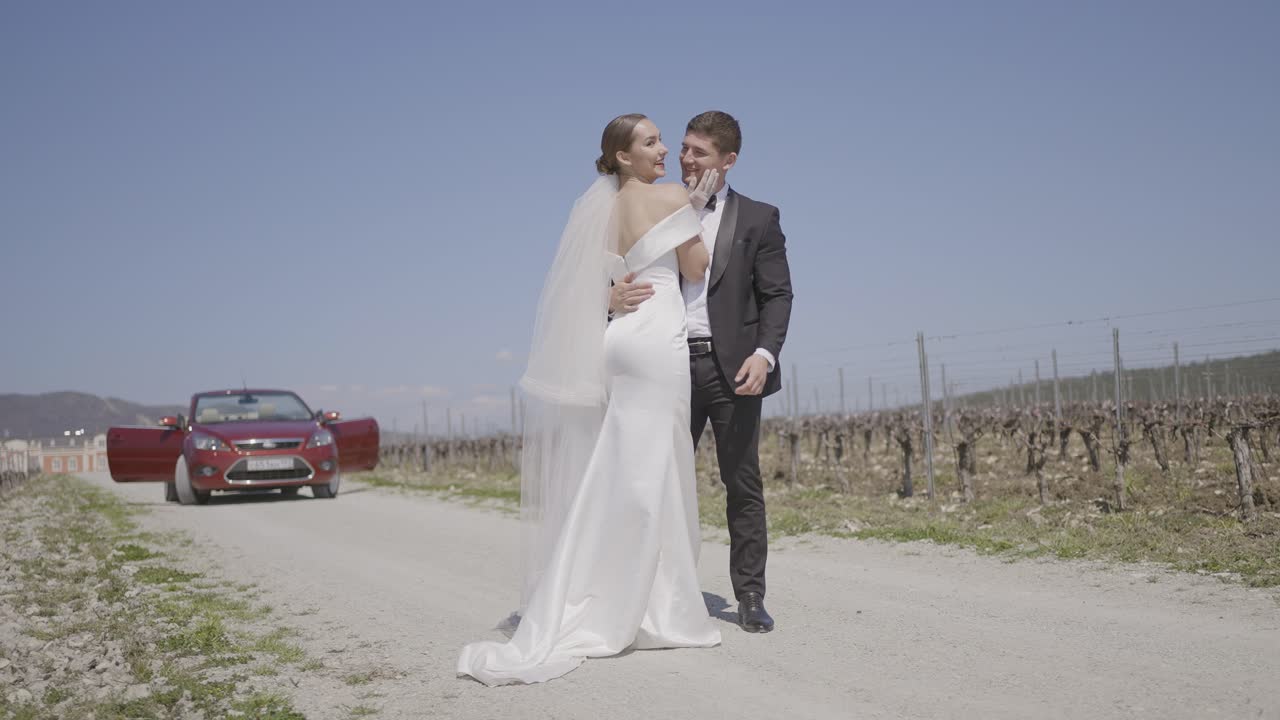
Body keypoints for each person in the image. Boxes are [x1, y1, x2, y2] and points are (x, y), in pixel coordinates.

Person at [457, 113, 722, 686]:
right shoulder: (672, 195)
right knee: (657, 470)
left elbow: (585, 291)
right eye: (651, 142)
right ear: (624, 156)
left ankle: (605, 591)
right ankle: (656, 609)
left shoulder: (599, 214)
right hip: (657, 344)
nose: (664, 150)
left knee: (624, 467)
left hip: (619, 341)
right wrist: (697, 210)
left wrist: (610, 293)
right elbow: (696, 270)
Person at [610, 110, 793, 633]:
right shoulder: (656, 200)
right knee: (656, 481)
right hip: (662, 363)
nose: (686, 159)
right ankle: (653, 594)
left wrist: (765, 354)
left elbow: (777, 294)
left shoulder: (759, 217)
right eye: (684, 148)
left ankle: (751, 595)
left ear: (728, 160)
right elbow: (612, 267)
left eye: (700, 152)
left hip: (733, 369)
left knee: (742, 483)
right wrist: (612, 295)